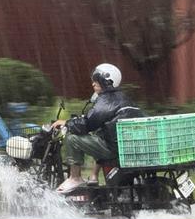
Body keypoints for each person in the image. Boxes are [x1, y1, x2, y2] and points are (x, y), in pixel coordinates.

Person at [52, 63, 144, 193]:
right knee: (99, 134)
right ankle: (94, 176)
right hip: (126, 148)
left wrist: (66, 123)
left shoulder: (107, 100)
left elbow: (86, 125)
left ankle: (75, 178)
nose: (93, 84)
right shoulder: (122, 98)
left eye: (96, 81)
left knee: (72, 137)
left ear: (105, 81)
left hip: (114, 150)